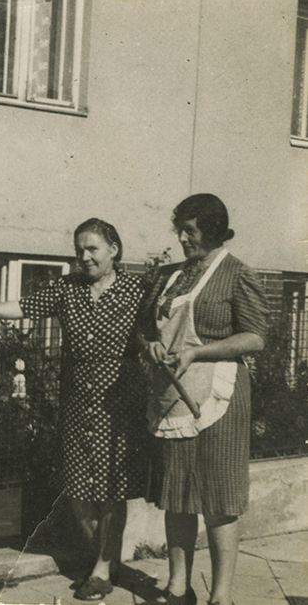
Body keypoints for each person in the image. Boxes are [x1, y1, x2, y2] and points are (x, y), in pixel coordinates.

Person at [0, 218, 148, 602]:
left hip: (118, 403)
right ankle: (103, 556)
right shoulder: (66, 289)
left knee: (111, 489)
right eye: (79, 250)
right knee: (76, 487)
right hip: (76, 402)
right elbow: (20, 307)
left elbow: (164, 328)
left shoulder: (137, 290)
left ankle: (103, 567)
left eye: (92, 249)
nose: (84, 257)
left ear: (114, 249)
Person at [138, 194, 267, 605]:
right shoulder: (169, 275)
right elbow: (144, 327)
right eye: (180, 229)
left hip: (219, 397)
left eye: (190, 231)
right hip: (172, 396)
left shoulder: (235, 273)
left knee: (217, 498)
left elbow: (255, 337)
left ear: (211, 231)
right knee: (177, 495)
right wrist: (151, 345)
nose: (182, 237)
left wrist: (197, 351)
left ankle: (222, 596)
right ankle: (178, 586)